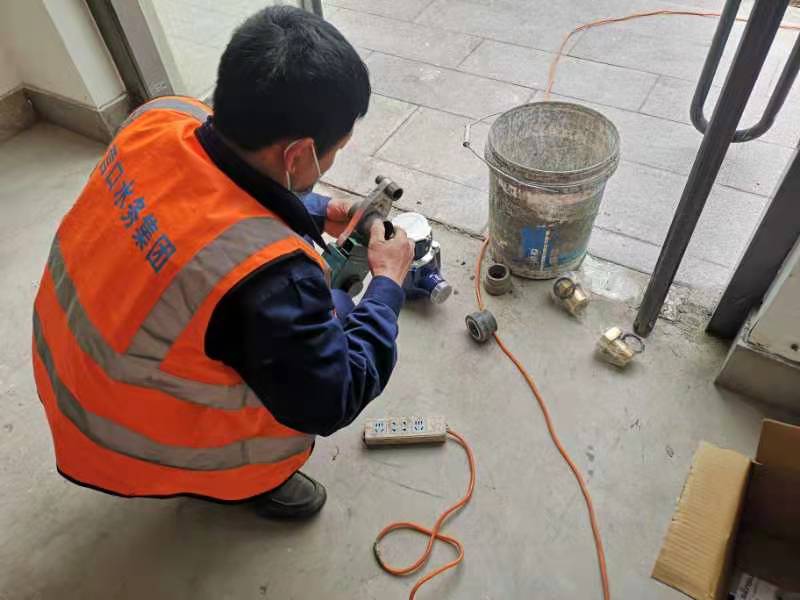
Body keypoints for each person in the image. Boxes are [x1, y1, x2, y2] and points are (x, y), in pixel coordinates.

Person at [31, 6, 414, 519]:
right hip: (117, 431)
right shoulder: (270, 282)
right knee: (334, 316)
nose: (331, 162)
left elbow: (202, 189)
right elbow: (333, 398)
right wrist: (387, 284)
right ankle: (243, 481)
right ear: (298, 155)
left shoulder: (160, 118)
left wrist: (313, 209)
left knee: (310, 315)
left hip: (68, 367)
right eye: (334, 151)